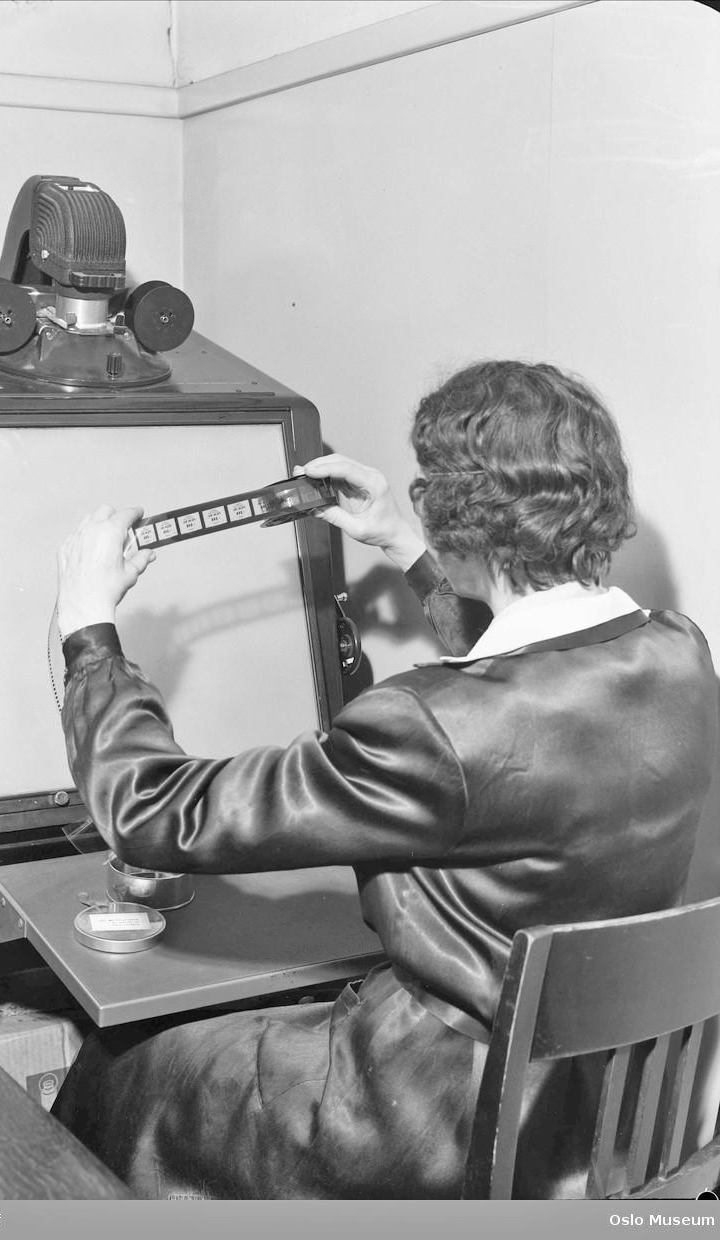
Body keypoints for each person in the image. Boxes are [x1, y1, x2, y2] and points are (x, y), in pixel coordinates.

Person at [50, 360, 717, 1199]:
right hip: (599, 1104)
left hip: (428, 1121)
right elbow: (522, 677)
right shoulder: (679, 652)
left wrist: (90, 634)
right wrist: (406, 541)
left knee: (131, 1060)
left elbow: (151, 813)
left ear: (461, 520)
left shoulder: (426, 725)